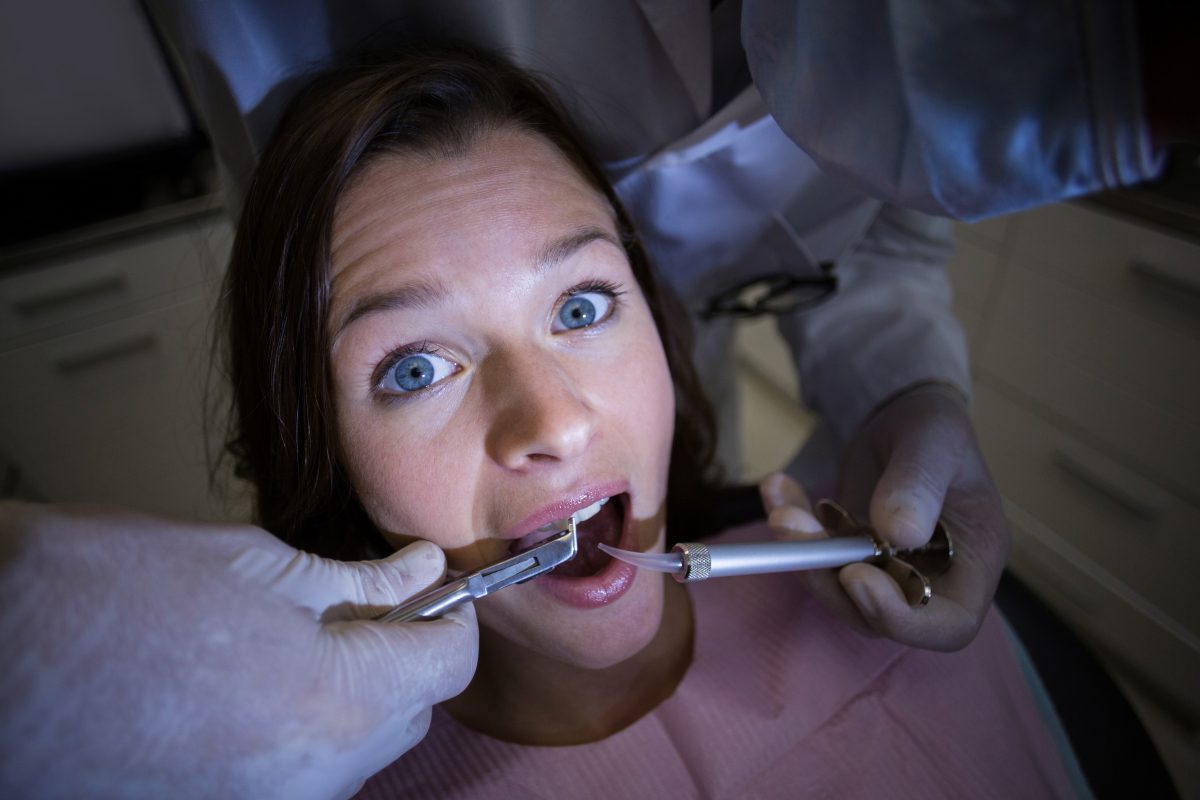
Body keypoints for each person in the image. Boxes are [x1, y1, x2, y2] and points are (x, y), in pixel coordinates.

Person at [220, 44, 1082, 796]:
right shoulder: (311, 777)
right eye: (415, 369)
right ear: (324, 453)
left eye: (583, 308)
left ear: (660, 326)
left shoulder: (877, 604)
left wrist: (911, 392)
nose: (555, 423)